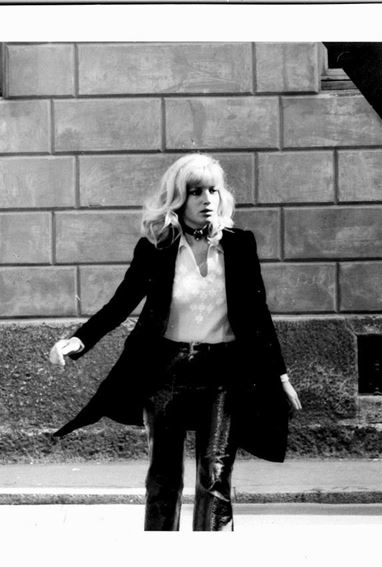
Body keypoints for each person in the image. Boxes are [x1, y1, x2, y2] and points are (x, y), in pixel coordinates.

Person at [49, 153, 301, 531]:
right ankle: (161, 552)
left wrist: (280, 376)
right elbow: (120, 305)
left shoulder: (239, 246)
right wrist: (77, 341)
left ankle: (211, 555)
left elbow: (258, 316)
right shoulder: (157, 248)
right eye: (195, 192)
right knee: (163, 479)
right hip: (165, 372)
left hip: (224, 374)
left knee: (215, 475)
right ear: (178, 199)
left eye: (213, 190)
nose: (206, 199)